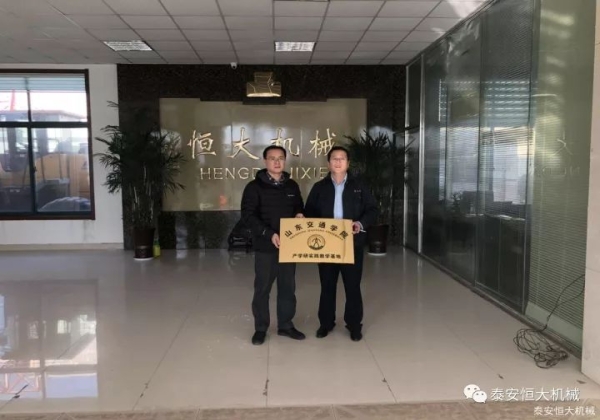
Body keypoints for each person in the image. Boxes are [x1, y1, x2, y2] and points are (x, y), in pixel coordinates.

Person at [304, 146, 378, 341]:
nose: (338, 162)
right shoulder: (319, 187)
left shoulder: (359, 186)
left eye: (342, 158)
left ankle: (354, 325)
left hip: (351, 244)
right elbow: (309, 212)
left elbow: (372, 210)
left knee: (352, 286)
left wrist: (360, 224)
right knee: (327, 285)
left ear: (348, 163)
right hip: (326, 245)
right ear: (328, 163)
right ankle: (326, 323)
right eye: (334, 158)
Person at [241, 145, 306, 345]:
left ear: (285, 161)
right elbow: (248, 216)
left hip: (289, 246)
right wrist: (269, 234)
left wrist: (300, 214)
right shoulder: (254, 187)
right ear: (265, 161)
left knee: (288, 287)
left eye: (280, 158)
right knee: (262, 288)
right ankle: (261, 328)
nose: (277, 162)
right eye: (272, 158)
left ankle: (285, 325)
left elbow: (299, 206)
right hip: (265, 246)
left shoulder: (292, 185)